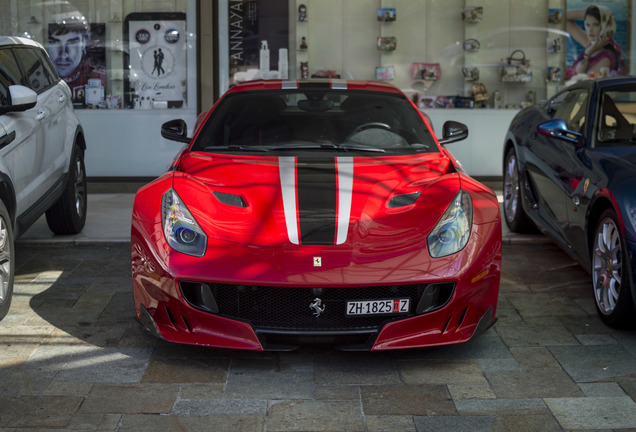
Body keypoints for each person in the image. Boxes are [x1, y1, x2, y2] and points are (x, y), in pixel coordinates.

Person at [48, 21, 105, 106]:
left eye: (72, 43)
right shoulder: (41, 80)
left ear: (84, 44)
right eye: (55, 42)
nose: (63, 55)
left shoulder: (98, 78)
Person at [566, 5, 624, 80]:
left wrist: (588, 53)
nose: (590, 30)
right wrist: (589, 12)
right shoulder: (592, 43)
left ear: (605, 26)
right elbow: (563, 18)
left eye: (596, 25)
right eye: (588, 25)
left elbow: (579, 80)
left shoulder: (606, 59)